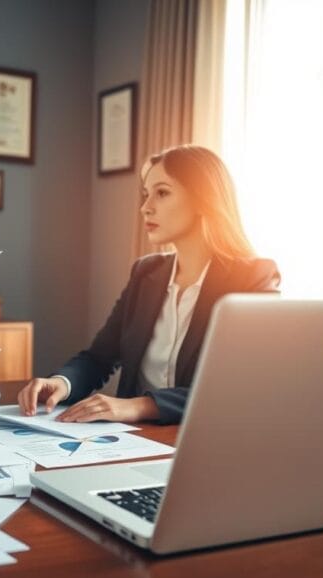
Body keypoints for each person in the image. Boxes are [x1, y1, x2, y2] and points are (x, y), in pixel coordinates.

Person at [18, 145, 280, 424]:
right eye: (146, 194)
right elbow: (99, 358)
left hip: (204, 438)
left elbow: (242, 384)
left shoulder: (253, 277)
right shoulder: (146, 273)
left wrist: (140, 406)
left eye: (162, 193)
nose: (146, 207)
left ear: (204, 199)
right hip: (132, 441)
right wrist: (62, 383)